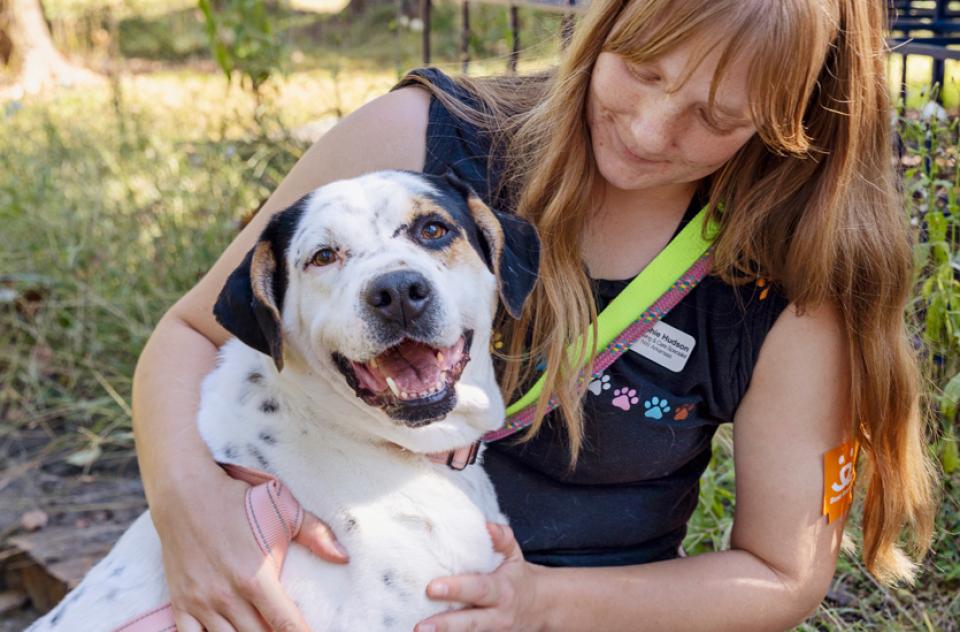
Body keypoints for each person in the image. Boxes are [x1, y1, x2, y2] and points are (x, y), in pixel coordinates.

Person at [130, 0, 939, 630]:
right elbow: (192, 332)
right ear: (600, 26)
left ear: (793, 120)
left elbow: (781, 574)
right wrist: (188, 508)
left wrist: (538, 606)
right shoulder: (416, 140)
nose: (653, 130)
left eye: (718, 117)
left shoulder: (787, 289)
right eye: (641, 68)